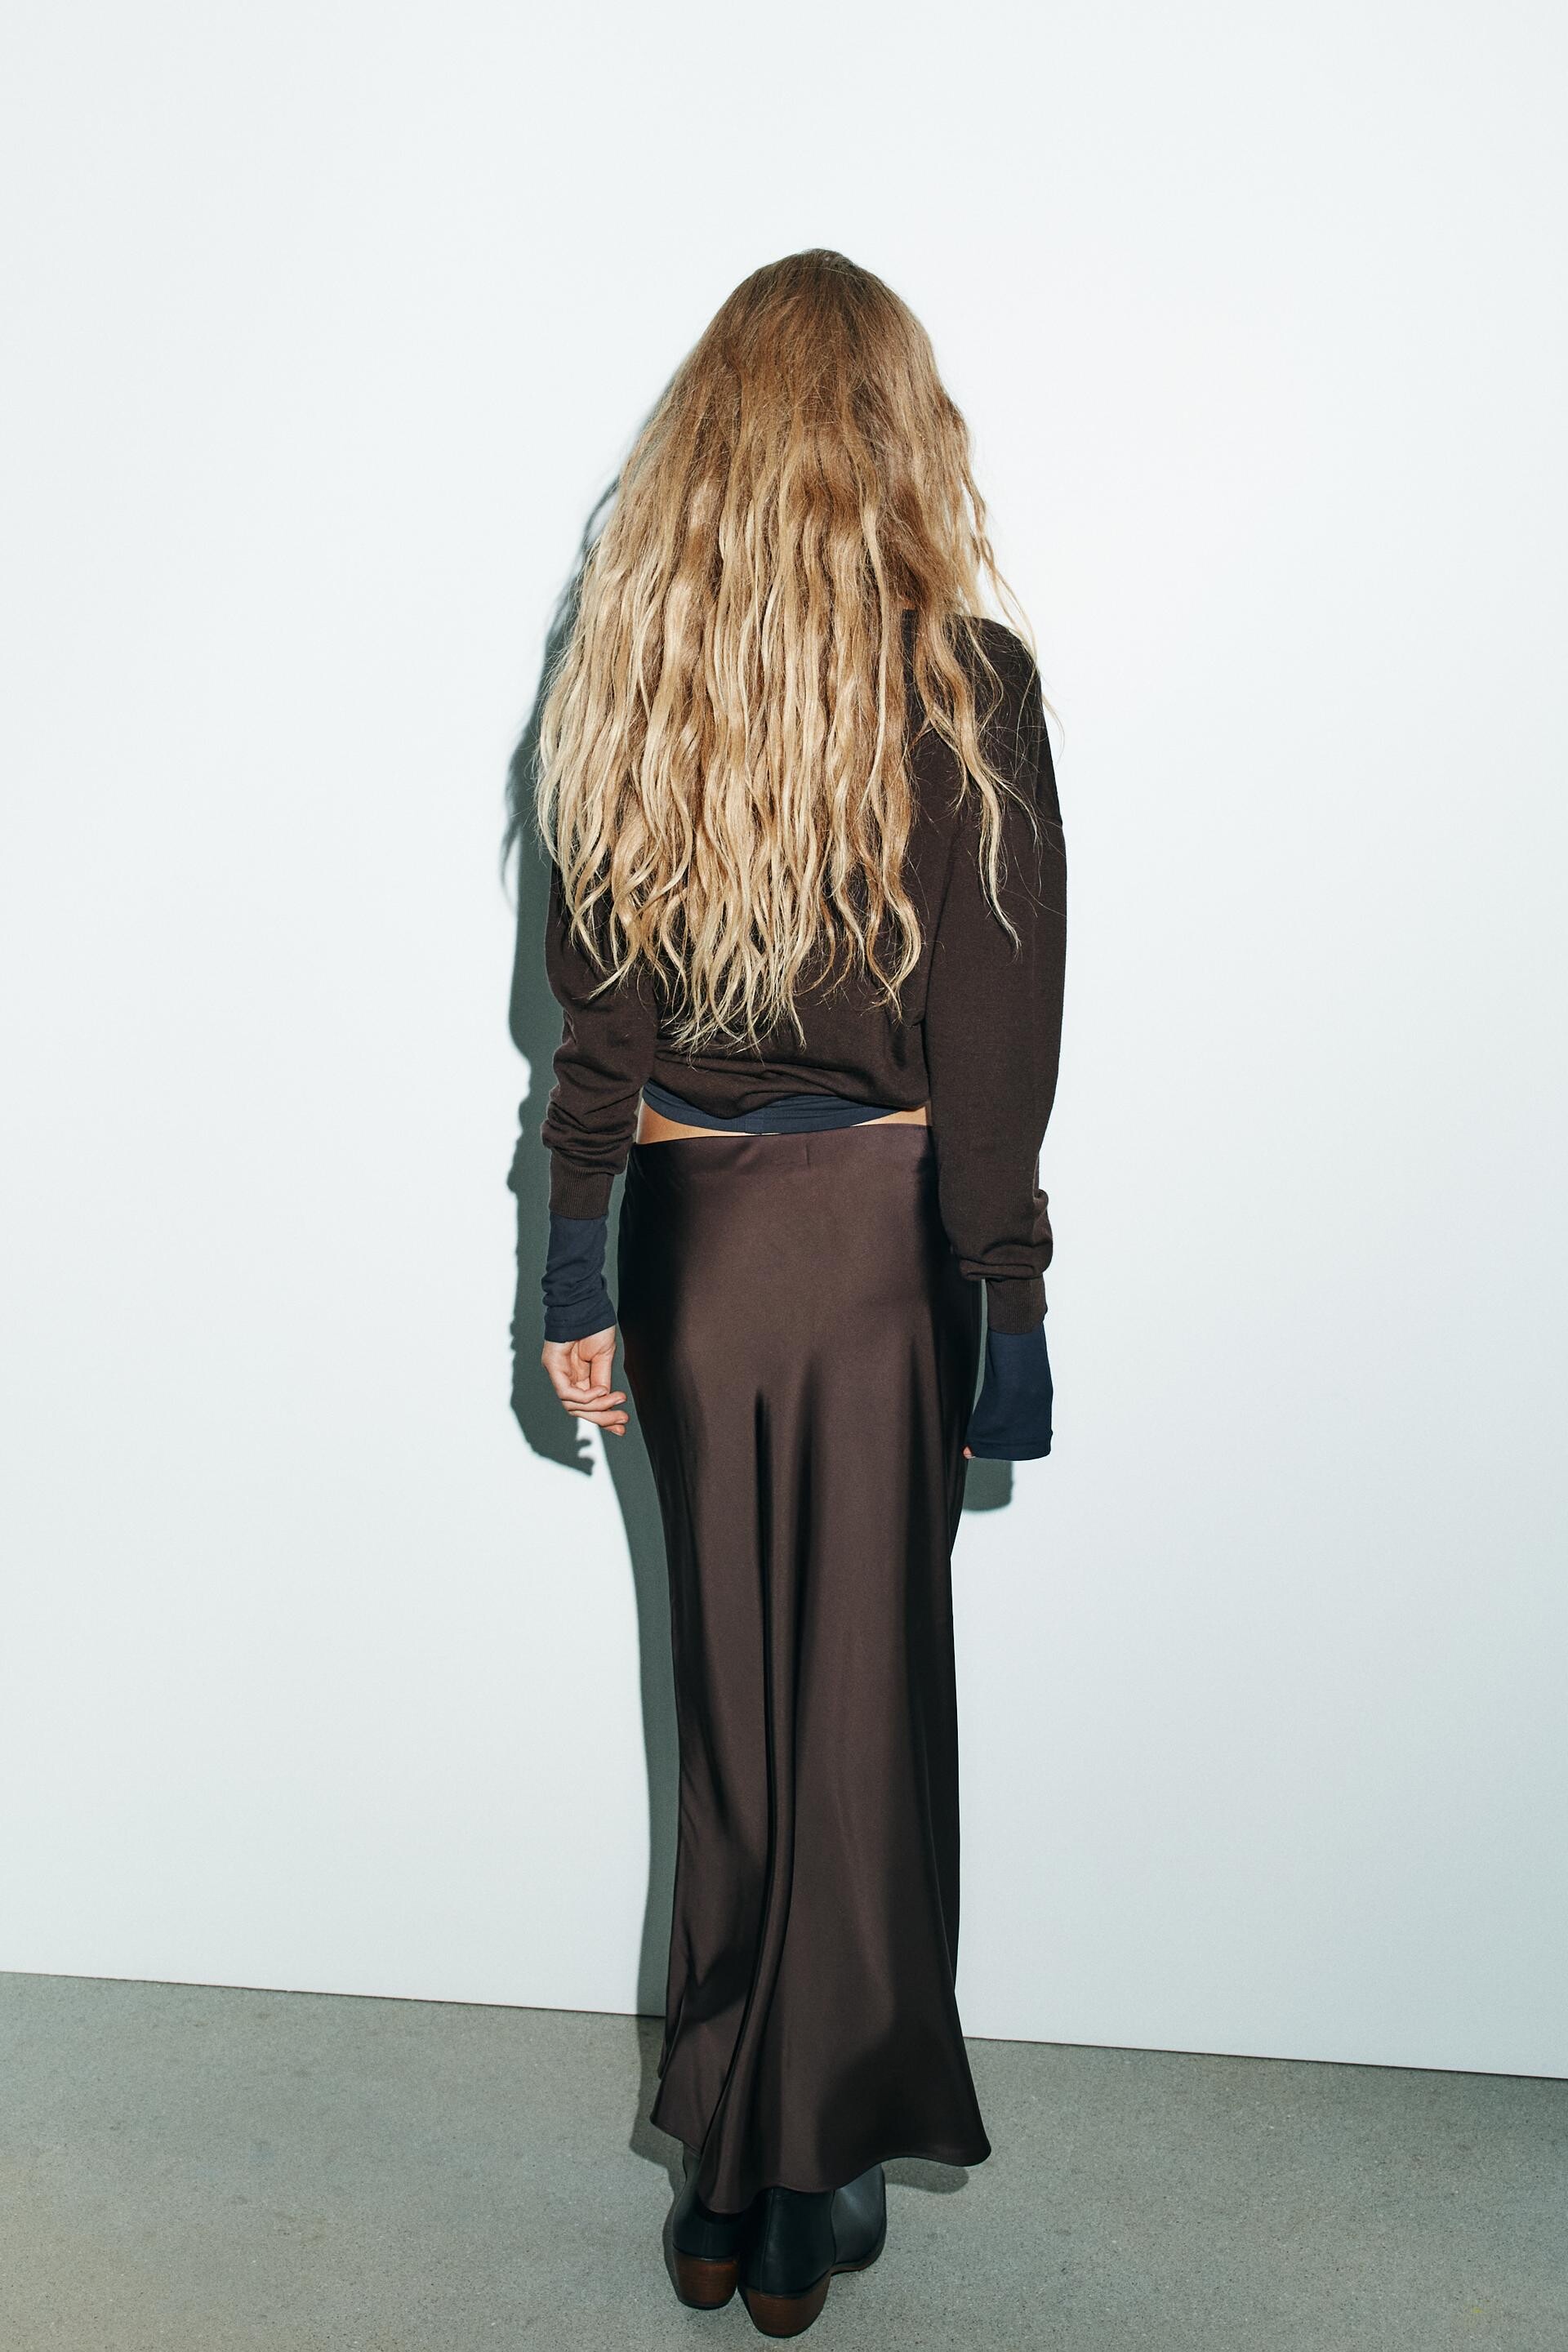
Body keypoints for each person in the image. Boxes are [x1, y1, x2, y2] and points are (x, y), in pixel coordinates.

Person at [515, 249, 1067, 2339]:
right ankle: (810, 2169)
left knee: (731, 1718)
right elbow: (1000, 1036)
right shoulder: (964, 685)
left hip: (694, 1254)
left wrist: (579, 1262)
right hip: (880, 1260)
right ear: (895, 436)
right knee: (862, 1721)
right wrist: (1009, 1297)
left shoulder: (633, 665)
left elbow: (591, 1026)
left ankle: (722, 2173)